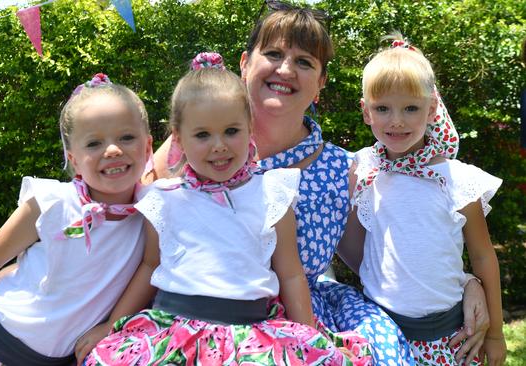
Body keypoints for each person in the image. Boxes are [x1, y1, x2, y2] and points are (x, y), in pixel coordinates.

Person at [149, 5, 490, 366]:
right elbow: (131, 234)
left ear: (320, 83)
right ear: (245, 63)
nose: (285, 69)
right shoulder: (190, 146)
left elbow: (384, 262)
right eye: (274, 54)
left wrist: (467, 282)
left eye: (304, 62)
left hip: (306, 321)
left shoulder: (344, 169)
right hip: (196, 320)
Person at [76, 52, 371, 365]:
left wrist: (308, 336)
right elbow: (149, 267)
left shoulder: (271, 191)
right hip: (173, 334)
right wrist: (112, 324)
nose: (219, 145)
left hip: (253, 334)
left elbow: (291, 274)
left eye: (231, 131)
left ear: (249, 128)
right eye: (202, 134)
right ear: (179, 139)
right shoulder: (164, 197)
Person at [0, 73, 153, 366]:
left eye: (126, 137)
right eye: (93, 143)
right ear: (73, 158)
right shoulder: (52, 202)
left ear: (148, 145)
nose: (113, 150)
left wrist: (112, 325)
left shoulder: (154, 211)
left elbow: (149, 269)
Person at [345, 35, 506, 365]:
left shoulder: (457, 179)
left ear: (431, 108)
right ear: (366, 112)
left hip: (449, 338)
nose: (397, 121)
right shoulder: (361, 171)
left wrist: (495, 334)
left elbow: (482, 255)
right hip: (380, 335)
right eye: (383, 108)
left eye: (410, 108)